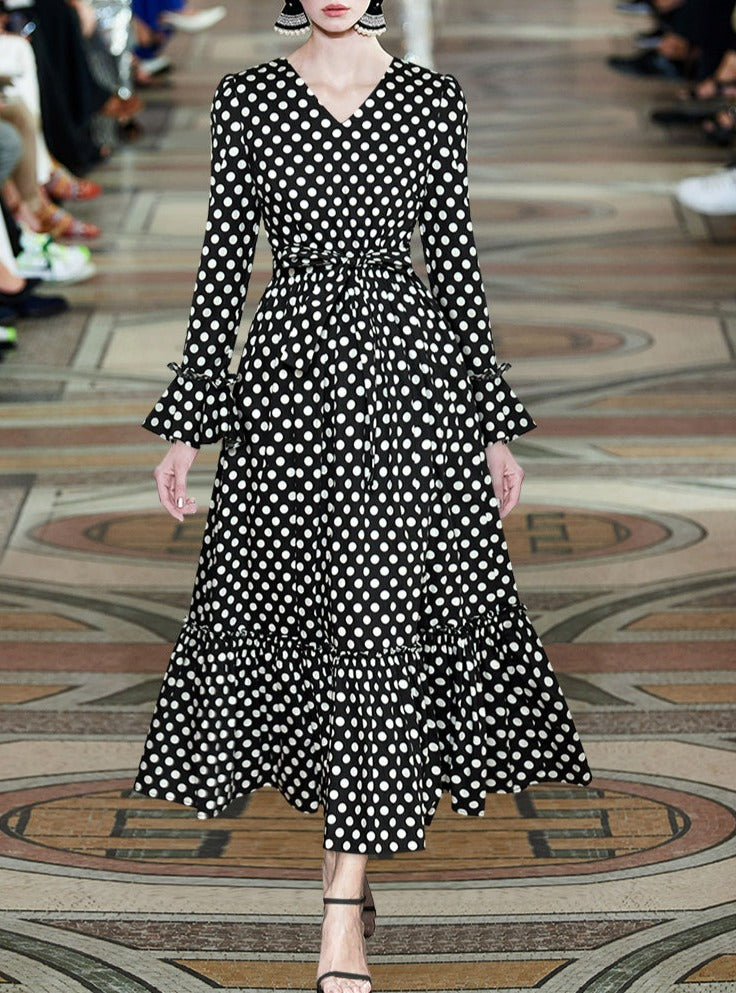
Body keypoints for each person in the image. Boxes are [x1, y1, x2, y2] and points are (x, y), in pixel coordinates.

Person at [133, 2, 593, 991]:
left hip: (407, 385)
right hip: (287, 388)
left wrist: (490, 421)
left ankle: (340, 909)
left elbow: (455, 263)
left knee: (380, 627)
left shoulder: (430, 98)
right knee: (314, 623)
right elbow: (223, 263)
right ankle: (354, 850)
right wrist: (188, 422)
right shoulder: (247, 97)